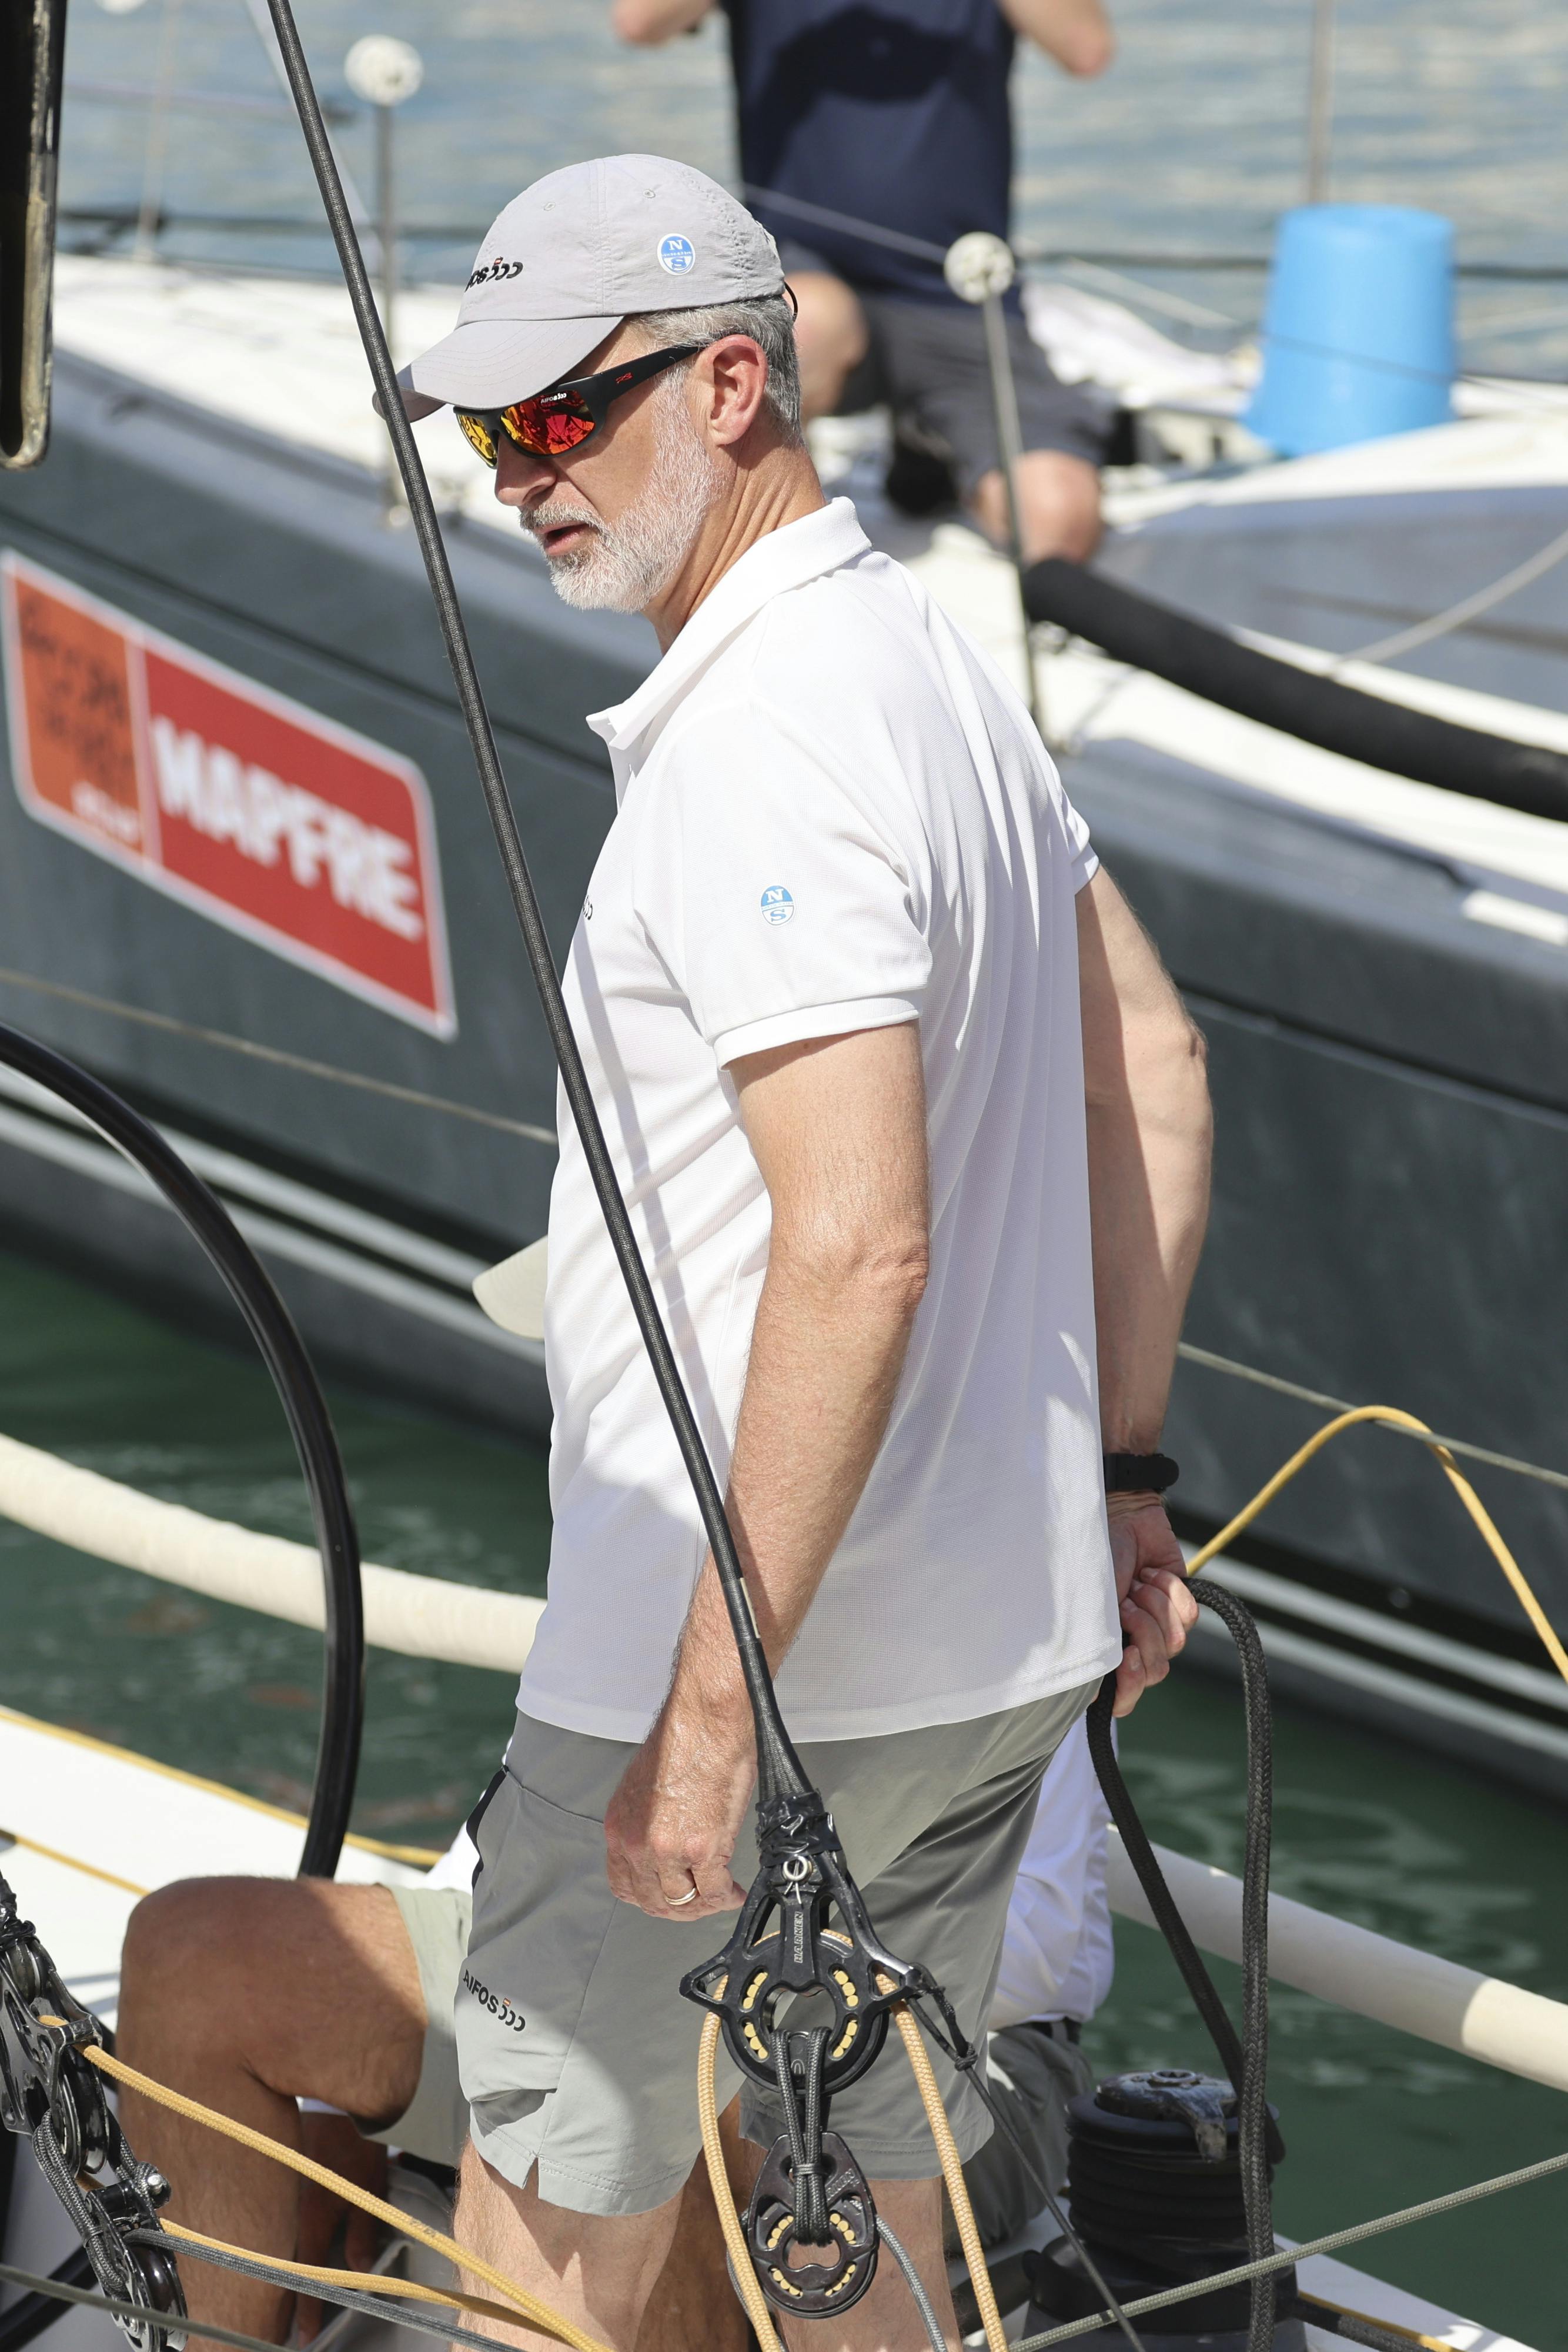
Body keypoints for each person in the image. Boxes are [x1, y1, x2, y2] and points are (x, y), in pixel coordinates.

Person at [124, 152, 1209, 2352]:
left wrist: (704, 1719)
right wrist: (1119, 1473)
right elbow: (1156, 1068)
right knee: (850, 2247)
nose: (513, 475)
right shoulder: (919, 653)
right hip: (977, 1653)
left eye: (554, 416)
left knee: (549, 2266)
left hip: (736, 1667)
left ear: (730, 383)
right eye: (482, 429)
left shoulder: (757, 751)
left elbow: (860, 1246)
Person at [115, 1723, 1112, 2349]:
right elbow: (515, 1833)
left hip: (955, 2043)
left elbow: (1033, 1941)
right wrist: (348, 2093)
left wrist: (699, 1942)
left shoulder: (977, 1553)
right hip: (599, 1951)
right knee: (199, 1958)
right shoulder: (667, 1501)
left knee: (657, 2050)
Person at [613, 0, 1116, 562]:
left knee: (1058, 518)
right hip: (808, 276)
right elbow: (640, 21)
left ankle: (928, 441)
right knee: (809, 325)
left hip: (956, 293)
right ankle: (753, 572)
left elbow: (1086, 49)